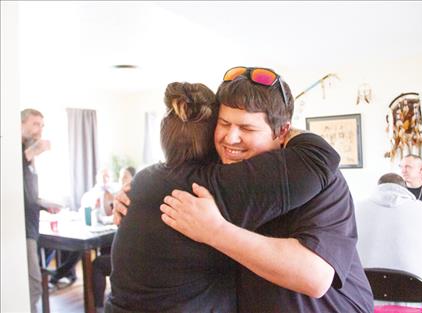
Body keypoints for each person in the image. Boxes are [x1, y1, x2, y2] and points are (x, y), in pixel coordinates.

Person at [115, 67, 373, 312]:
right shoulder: (217, 170)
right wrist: (130, 194)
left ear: (282, 131)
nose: (231, 138)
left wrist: (215, 231)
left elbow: (314, 277)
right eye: (224, 123)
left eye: (247, 128)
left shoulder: (321, 180)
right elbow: (172, 175)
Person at [355, 173, 422, 310]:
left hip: (362, 300)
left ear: (378, 187)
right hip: (414, 301)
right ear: (405, 189)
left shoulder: (354, 208)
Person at [21, 108, 52, 313]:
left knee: (32, 284)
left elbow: (25, 194)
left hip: (32, 225)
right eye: (35, 124)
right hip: (21, 229)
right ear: (20, 124)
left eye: (42, 125)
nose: (39, 130)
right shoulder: (16, 153)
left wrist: (43, 203)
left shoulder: (29, 156)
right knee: (33, 285)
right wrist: (31, 152)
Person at [92, 166, 135, 310]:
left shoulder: (128, 198)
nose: (121, 180)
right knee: (105, 251)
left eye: (125, 177)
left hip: (131, 260)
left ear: (134, 179)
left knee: (97, 263)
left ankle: (97, 307)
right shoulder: (123, 196)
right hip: (134, 256)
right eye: (120, 177)